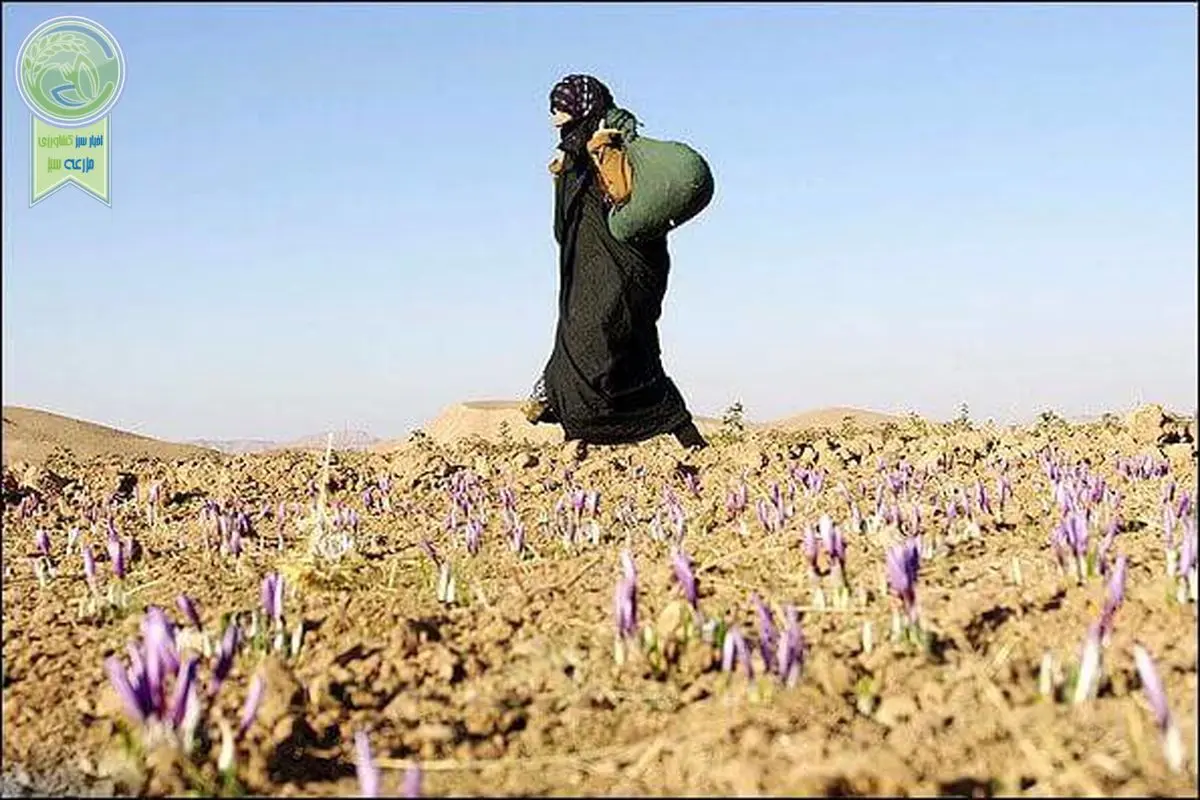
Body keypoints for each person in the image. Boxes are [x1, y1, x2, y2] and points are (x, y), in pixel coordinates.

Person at [522, 74, 708, 455]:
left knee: (615, 338)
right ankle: (575, 437)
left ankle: (686, 436)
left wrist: (590, 160)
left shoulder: (609, 140)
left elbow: (619, 200)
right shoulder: (575, 152)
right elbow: (566, 225)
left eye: (561, 108)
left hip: (624, 266)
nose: (555, 118)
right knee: (581, 340)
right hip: (589, 267)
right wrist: (562, 176)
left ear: (582, 108)